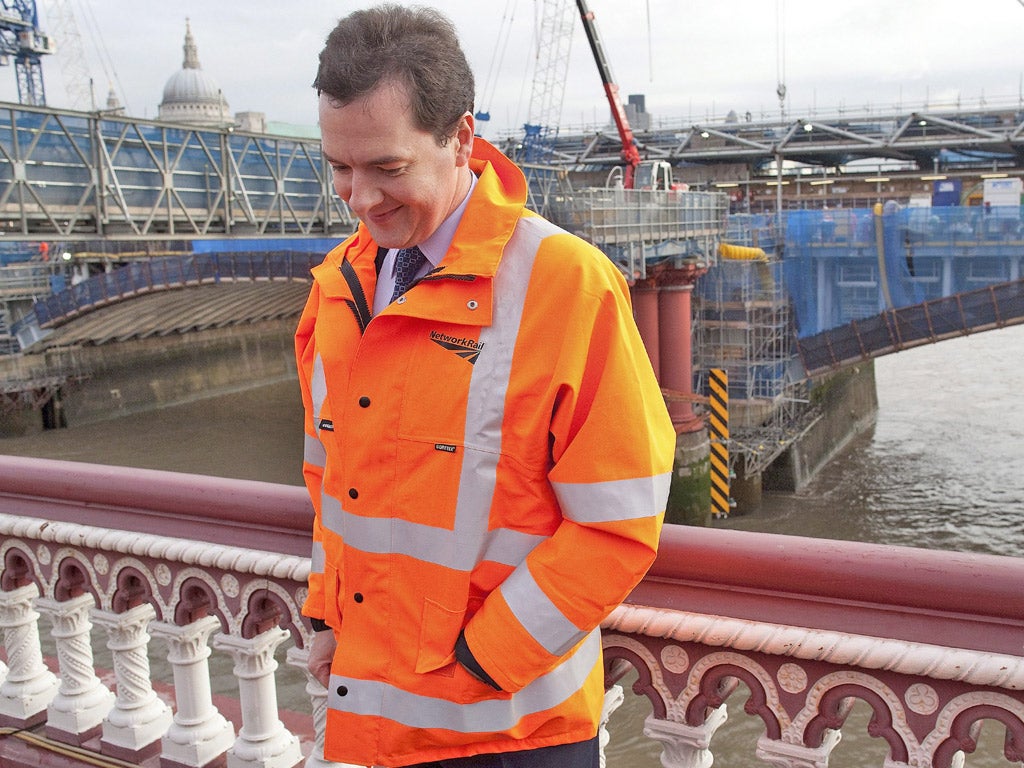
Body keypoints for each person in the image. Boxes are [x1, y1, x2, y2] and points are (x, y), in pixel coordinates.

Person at [294, 5, 675, 767]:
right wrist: (329, 617)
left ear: (462, 138)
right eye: (340, 167)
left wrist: (478, 664)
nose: (361, 199)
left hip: (511, 732)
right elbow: (332, 486)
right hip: (372, 712)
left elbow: (620, 519)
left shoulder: (567, 284)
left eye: (388, 168)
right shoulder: (336, 287)